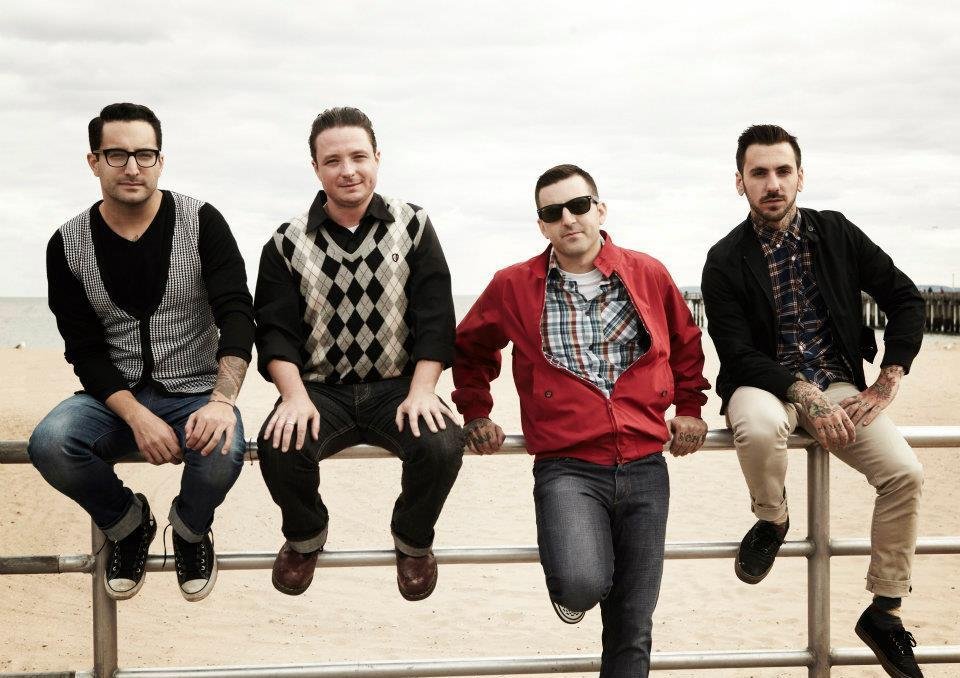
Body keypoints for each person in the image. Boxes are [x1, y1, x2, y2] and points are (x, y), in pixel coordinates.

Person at [452, 164, 710, 677]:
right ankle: (576, 588)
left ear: (600, 209)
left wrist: (690, 409)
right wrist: (477, 410)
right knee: (581, 583)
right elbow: (470, 347)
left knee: (632, 628)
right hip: (566, 467)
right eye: (553, 212)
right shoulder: (513, 284)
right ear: (542, 225)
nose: (568, 219)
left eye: (578, 206)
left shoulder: (647, 273)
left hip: (645, 465)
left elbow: (686, 343)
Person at [701, 124, 926, 678]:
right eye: (759, 173)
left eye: (783, 171)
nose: (772, 184)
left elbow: (905, 298)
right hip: (765, 384)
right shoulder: (724, 259)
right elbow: (736, 352)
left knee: (905, 473)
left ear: (801, 176)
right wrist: (802, 391)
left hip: (840, 383)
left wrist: (888, 377)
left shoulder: (837, 233)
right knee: (757, 425)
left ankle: (884, 611)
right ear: (740, 182)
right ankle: (772, 520)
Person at [28, 102, 254, 602]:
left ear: (160, 161)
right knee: (50, 443)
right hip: (112, 397)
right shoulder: (66, 243)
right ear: (94, 161)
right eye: (117, 154)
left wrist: (222, 400)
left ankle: (190, 530)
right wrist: (136, 417)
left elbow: (237, 314)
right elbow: (84, 350)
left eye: (144, 155)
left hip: (196, 389)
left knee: (223, 451)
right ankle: (129, 523)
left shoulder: (203, 221)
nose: (132, 167)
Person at [254, 106, 463, 600]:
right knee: (278, 445)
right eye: (333, 160)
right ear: (316, 168)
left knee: (441, 444)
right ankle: (306, 536)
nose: (347, 170)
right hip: (320, 390)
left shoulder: (413, 225)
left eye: (358, 156)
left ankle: (412, 540)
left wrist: (423, 390)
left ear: (377, 158)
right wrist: (293, 397)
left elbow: (435, 315)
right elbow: (276, 331)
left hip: (398, 387)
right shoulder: (286, 242)